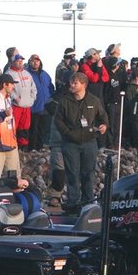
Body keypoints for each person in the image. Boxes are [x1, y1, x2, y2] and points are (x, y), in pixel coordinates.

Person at [54, 72, 108, 213]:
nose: (71, 85)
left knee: (88, 173)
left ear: (83, 84)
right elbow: (58, 121)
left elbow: (103, 117)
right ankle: (72, 203)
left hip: (89, 142)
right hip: (70, 143)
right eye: (71, 82)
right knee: (72, 173)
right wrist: (68, 134)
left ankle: (88, 202)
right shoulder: (65, 101)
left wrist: (103, 126)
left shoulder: (94, 101)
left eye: (75, 83)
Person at [8, 54, 37, 149]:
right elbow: (8, 89)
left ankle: (23, 147)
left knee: (25, 126)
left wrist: (32, 98)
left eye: (21, 60)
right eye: (18, 61)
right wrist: (15, 97)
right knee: (14, 127)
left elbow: (33, 88)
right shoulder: (9, 74)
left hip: (27, 106)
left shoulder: (27, 74)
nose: (20, 62)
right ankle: (12, 145)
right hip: (16, 106)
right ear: (13, 62)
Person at [27, 54, 54, 151]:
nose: (35, 62)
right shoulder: (27, 74)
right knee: (33, 128)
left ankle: (41, 146)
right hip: (33, 105)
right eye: (33, 60)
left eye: (37, 60)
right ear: (30, 61)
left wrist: (50, 98)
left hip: (45, 105)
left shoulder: (45, 74)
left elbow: (51, 87)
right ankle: (32, 147)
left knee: (43, 128)